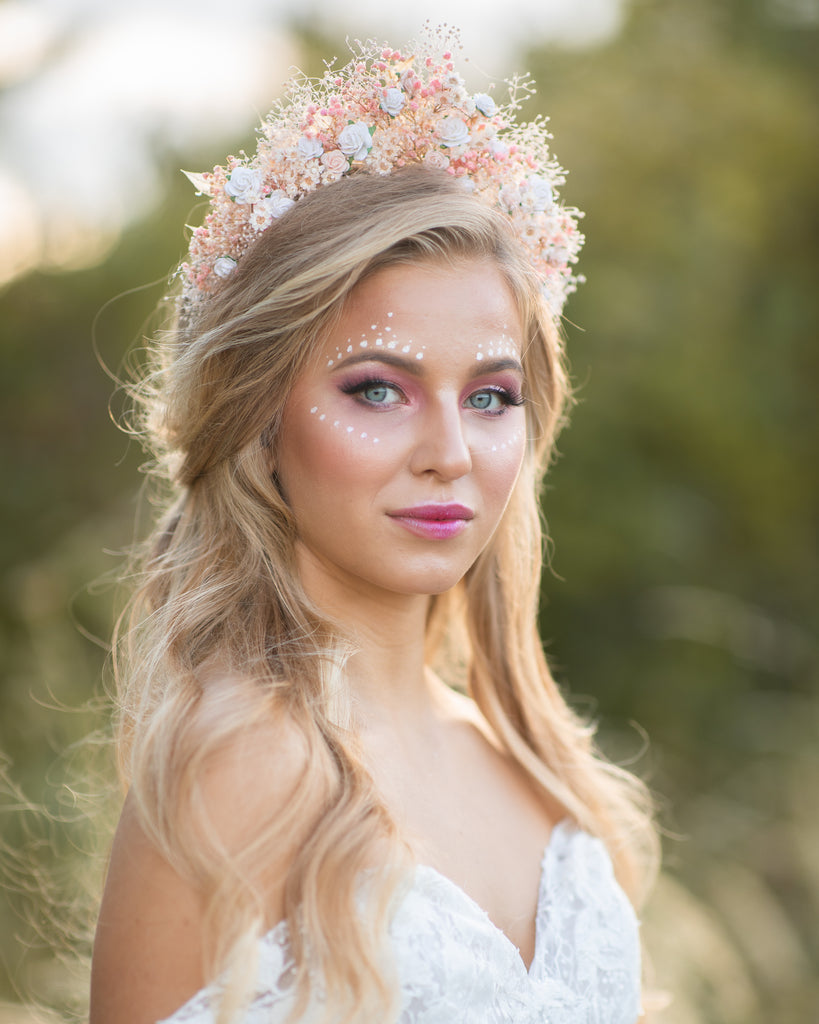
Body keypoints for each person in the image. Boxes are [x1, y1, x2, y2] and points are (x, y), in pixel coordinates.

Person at [89, 28, 658, 1024]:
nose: (449, 450)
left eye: (489, 396)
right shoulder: (231, 773)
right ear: (263, 419)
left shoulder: (531, 758)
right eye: (379, 389)